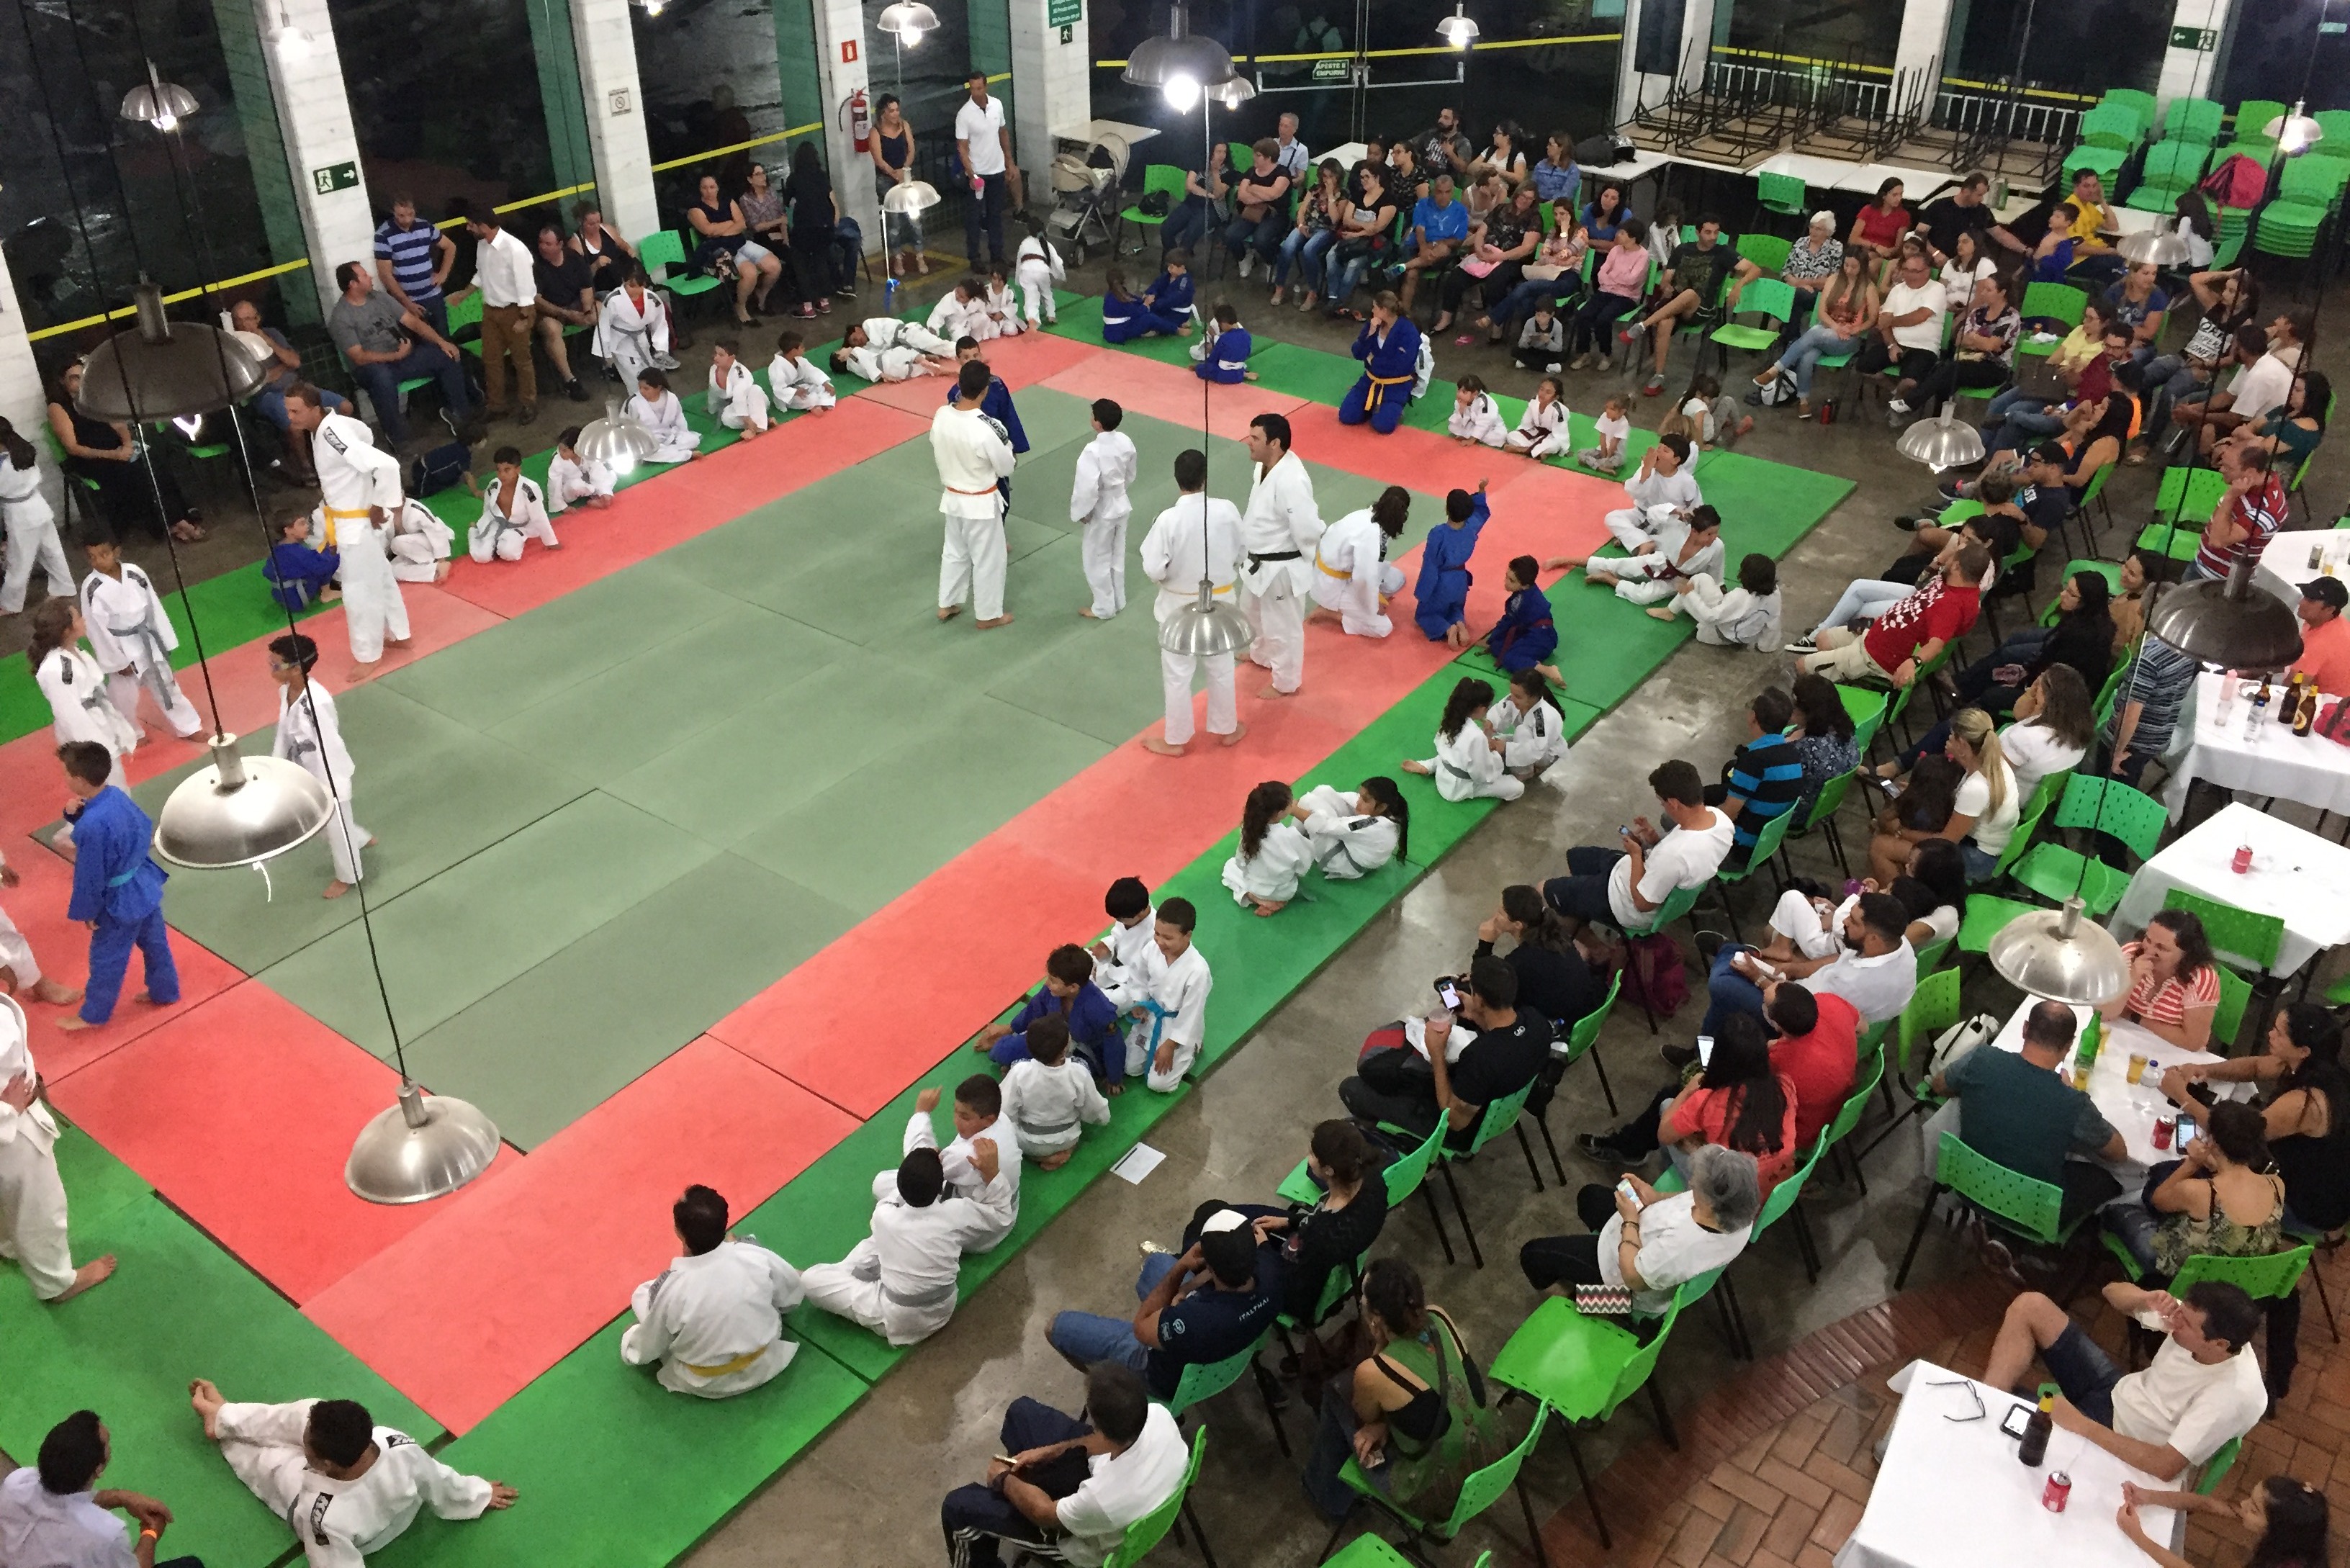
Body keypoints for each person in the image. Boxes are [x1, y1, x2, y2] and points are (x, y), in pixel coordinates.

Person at [188, 1380, 516, 1564]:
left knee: (269, 1464)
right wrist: (476, 1495)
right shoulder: (395, 1444)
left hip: (364, 1533)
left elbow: (335, 1564)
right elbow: (438, 1479)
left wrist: (479, 1496)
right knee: (302, 1417)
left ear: (324, 1463)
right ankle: (223, 1415)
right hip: (382, 1499)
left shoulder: (322, 1514)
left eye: (309, 1448)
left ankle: (222, 1423)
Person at [1975, 1279, 2267, 1484]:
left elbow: (2165, 1467)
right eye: (2179, 1312)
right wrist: (2143, 1298)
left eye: (2185, 1323)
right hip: (2116, 1392)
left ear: (2218, 1344)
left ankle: (1985, 1416)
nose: (2174, 1320)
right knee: (2031, 1305)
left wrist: (2082, 1426)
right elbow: (2110, 1291)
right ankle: (1986, 1398)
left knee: (2011, 1421)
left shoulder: (2232, 1395)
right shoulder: (2192, 1319)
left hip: (2123, 1444)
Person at [1301, 1257, 1500, 1523]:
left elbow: (1365, 1416)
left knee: (1336, 1395)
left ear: (1376, 1319)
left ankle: (1325, 1498)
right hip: (1492, 1458)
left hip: (1439, 1490)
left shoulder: (1373, 1372)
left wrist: (1378, 1424)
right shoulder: (1439, 1316)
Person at [939, 1363, 1186, 1568]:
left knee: (958, 1507)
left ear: (1099, 1425)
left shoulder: (1101, 1498)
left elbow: (1043, 1513)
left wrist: (1004, 1479)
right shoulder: (1157, 1416)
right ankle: (1019, 1493)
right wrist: (1047, 1452)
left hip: (1079, 1545)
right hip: (1113, 1497)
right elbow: (1099, 1442)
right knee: (1021, 1413)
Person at [1930, 1000, 2126, 1232]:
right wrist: (2072, 1091)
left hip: (1966, 1185)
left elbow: (1938, 1085)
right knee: (2108, 1181)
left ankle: (1996, 1235)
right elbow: (2118, 1153)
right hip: (2032, 1214)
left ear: (2025, 1029)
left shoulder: (1981, 1058)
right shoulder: (2074, 1103)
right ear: (2069, 1046)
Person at [1048, 1204, 1279, 1390]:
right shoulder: (1272, 1270)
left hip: (1166, 1375)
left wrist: (1181, 1267)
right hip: (1236, 1346)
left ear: (1209, 1264)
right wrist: (1185, 1290)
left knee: (1054, 1327)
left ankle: (1110, 1388)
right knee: (1156, 1262)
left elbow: (1142, 1327)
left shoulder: (1191, 1320)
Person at [1519, 1143, 1761, 1320]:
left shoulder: (1680, 1248)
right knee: (1590, 1196)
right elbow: (1688, 1199)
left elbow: (1632, 1277)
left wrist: (1630, 1220)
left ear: (1711, 1201)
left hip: (1626, 1288)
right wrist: (1656, 1198)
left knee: (1533, 1255)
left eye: (1696, 1184)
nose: (1690, 1184)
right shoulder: (1737, 1212)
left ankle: (1581, 1304)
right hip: (1641, 1236)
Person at [1339, 955, 1550, 1148]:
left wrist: (1437, 1053)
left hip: (1462, 1133)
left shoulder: (1480, 1058)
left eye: (1473, 991)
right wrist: (1476, 1015)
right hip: (1500, 1110)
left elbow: (1454, 1121)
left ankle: (1406, 1146)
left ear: (1481, 1000)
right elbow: (1506, 1038)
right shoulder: (1537, 1023)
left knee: (1352, 1088)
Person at [1582, 1008, 1801, 1191]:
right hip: (1775, 1182)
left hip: (1727, 1197)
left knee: (1668, 1104)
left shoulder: (1710, 1101)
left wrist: (1688, 1090)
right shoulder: (1784, 1085)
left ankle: (1676, 1189)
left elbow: (1664, 1134)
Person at [620, 1183, 804, 1397]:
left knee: (643, 1294)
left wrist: (630, 1338)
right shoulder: (753, 1255)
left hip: (708, 1382)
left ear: (678, 1231)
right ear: (725, 1224)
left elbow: (646, 1351)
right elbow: (791, 1297)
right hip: (767, 1361)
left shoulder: (672, 1289)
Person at [801, 1140, 991, 1346]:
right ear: (939, 1188)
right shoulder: (957, 1212)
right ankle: (846, 1273)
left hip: (898, 1318)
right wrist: (993, 1174)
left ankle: (843, 1274)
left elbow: (895, 1197)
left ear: (899, 1182)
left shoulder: (885, 1215)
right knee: (883, 1238)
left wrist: (917, 1168)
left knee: (811, 1280)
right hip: (944, 1308)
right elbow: (999, 1213)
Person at [289, 383, 412, 669]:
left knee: (357, 592)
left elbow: (387, 464)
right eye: (288, 411)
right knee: (380, 578)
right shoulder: (330, 428)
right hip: (350, 521)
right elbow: (364, 436)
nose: (290, 417)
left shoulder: (332, 434)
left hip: (354, 526)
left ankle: (368, 656)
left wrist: (381, 504)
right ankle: (399, 633)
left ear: (314, 409)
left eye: (296, 411)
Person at [2104, 1099, 2284, 1289]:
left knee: (2117, 1207)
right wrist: (2216, 1165)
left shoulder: (2200, 1192)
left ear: (2213, 1141)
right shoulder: (2277, 1185)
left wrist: (2193, 1163)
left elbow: (2157, 1199)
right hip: (2232, 1278)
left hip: (2180, 1276)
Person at [1542, 760, 1734, 934]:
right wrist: (1653, 840)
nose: (1662, 806)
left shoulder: (1674, 855)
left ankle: (1590, 947)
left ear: (1674, 803)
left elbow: (1642, 903)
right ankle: (1580, 905)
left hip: (1625, 903)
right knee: (1575, 857)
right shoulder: (1720, 821)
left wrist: (1635, 854)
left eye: (1662, 802)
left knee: (1543, 888)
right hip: (1640, 870)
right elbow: (1677, 861)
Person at [1, 1003, 114, 1297]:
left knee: (8, 1199)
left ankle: (6, 1242)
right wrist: (8, 1113)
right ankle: (57, 1283)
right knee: (39, 1207)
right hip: (11, 1135)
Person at [1140, 452, 1245, 756]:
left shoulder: (1168, 520)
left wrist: (1168, 580)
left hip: (1178, 605)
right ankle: (1227, 729)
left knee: (1177, 673)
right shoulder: (1227, 510)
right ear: (1205, 477)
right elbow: (1242, 550)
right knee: (1221, 666)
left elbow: (1153, 568)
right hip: (1221, 599)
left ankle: (1176, 740)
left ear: (1177, 479)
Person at [1706, 891, 1917, 1035]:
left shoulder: (1854, 982)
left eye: (1853, 922)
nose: (1844, 922)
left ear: (1873, 939)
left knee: (1722, 982)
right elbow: (1838, 962)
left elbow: (1796, 1010)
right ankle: (1705, 1053)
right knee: (1725, 998)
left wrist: (1758, 977)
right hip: (1807, 995)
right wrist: (1798, 969)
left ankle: (1732, 951)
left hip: (1797, 1023)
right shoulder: (1898, 944)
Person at [0, 1409, 186, 1566]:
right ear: (98, 1469)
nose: (110, 1440)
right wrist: (151, 1531)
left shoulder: (18, 1481)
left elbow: (63, 1504)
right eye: (107, 1444)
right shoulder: (107, 1535)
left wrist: (120, 1497)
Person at [45, 364, 204, 545]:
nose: (82, 381)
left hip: (118, 449)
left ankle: (179, 518)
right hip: (92, 458)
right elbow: (73, 447)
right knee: (137, 474)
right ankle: (174, 523)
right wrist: (114, 455)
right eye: (75, 377)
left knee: (156, 464)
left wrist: (127, 445)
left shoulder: (95, 398)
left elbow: (119, 425)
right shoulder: (58, 408)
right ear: (62, 382)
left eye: (83, 375)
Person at [323, 263, 474, 449]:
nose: (370, 277)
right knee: (382, 379)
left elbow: (413, 322)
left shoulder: (379, 298)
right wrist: (395, 356)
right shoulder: (341, 317)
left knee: (446, 355)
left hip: (402, 355)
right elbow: (359, 357)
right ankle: (398, 438)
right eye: (364, 275)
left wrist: (441, 342)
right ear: (352, 284)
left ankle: (460, 415)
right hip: (372, 366)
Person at [1796, 541, 1986, 687]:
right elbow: (1919, 590)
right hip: (1875, 632)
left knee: (1802, 666)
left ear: (1956, 567)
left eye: (1953, 557)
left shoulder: (1951, 606)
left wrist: (1913, 662)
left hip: (1876, 656)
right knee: (1822, 639)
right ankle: (1834, 678)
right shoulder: (1953, 583)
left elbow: (1936, 644)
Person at [266, 634, 370, 899]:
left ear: (296, 668)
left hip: (328, 773)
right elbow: (284, 733)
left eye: (276, 665)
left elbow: (330, 745)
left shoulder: (317, 702)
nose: (271, 669)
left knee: (336, 827)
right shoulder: (286, 692)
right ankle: (359, 838)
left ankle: (349, 876)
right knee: (314, 820)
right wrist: (278, 765)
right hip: (304, 767)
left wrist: (332, 786)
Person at [1230, 413, 1323, 698]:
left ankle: (1286, 682)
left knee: (1284, 629)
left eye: (1255, 438)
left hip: (1281, 568)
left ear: (1275, 443)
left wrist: (1303, 557)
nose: (1249, 443)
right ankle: (1262, 656)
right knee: (1251, 614)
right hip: (1258, 562)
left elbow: (1307, 528)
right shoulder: (1263, 468)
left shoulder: (1292, 481)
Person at [77, 535, 200, 741]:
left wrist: (164, 640)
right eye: (92, 557)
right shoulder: (91, 587)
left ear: (117, 552)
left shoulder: (135, 573)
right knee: (124, 697)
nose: (97, 561)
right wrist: (116, 660)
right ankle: (129, 733)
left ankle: (189, 727)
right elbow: (95, 628)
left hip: (148, 639)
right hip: (119, 645)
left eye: (103, 554)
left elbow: (153, 606)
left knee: (167, 684)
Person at [27, 597, 138, 816]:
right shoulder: (57, 668)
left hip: (99, 723)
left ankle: (115, 826)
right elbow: (69, 715)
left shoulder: (75, 652)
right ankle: (122, 830)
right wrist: (96, 749)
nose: (83, 620)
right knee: (110, 788)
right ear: (66, 630)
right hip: (87, 737)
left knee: (112, 787)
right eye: (78, 618)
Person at [1749, 249, 1878, 419]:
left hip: (1849, 338)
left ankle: (1775, 370)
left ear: (1862, 267)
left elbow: (1874, 318)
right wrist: (1835, 327)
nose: (1848, 270)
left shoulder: (1868, 288)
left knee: (1815, 334)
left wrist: (1855, 329)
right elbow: (1822, 313)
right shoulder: (1833, 280)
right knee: (1808, 354)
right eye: (1846, 265)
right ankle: (1804, 402)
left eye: (1854, 267)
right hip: (1828, 330)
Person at [230, 299, 346, 485]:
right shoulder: (234, 344)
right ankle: (305, 465)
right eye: (239, 321)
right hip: (267, 395)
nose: (245, 325)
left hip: (298, 388)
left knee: (345, 406)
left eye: (249, 319)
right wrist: (282, 367)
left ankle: (339, 454)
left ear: (258, 319)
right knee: (295, 425)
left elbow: (295, 362)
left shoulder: (272, 334)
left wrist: (268, 342)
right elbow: (258, 380)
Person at [1621, 214, 1737, 397]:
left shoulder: (1724, 252)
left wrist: (1738, 285)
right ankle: (1658, 376)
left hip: (1702, 308)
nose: (1713, 237)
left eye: (1716, 232)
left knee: (1690, 294)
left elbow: (1754, 269)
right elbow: (1667, 277)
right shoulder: (1683, 250)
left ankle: (1643, 325)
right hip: (1675, 303)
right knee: (1666, 322)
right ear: (1698, 233)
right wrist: (1666, 286)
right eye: (1708, 232)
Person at [978, 945, 1124, 1086]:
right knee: (1001, 1053)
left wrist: (1114, 1078)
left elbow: (1113, 1041)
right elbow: (1035, 1008)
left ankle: (1020, 1069)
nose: (1047, 983)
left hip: (1081, 1052)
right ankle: (1013, 1054)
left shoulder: (1099, 1008)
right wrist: (1010, 1028)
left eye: (1053, 981)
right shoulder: (1053, 991)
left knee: (1063, 1086)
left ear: (1073, 987)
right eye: (1049, 977)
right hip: (1050, 1039)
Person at [2117, 1474, 2328, 1568]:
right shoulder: (2296, 1540)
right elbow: (2206, 1505)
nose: (2243, 1505)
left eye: (2253, 1509)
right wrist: (2148, 1496)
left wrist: (2138, 1536)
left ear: (2278, 1531)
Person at [1891, 271, 2018, 424]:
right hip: (1966, 359)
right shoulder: (1978, 312)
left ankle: (1911, 404)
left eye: (1988, 290)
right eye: (1983, 289)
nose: (1983, 293)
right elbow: (1959, 340)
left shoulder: (2010, 317)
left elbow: (1992, 346)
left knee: (1951, 370)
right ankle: (1938, 420)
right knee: (1947, 373)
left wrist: (1974, 338)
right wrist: (1979, 341)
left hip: (1994, 367)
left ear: (2003, 293)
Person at [1117, 898, 1211, 1093]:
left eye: (1168, 938)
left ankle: (1191, 1049)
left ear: (1187, 935)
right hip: (1152, 1016)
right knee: (1129, 1067)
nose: (1160, 941)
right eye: (1157, 934)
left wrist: (1170, 1044)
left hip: (1177, 1025)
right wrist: (1139, 1003)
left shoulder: (1198, 971)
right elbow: (1139, 978)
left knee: (1159, 1084)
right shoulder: (1152, 949)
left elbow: (1191, 1013)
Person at [1475, 884, 1601, 1027]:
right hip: (1591, 1011)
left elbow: (1486, 989)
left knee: (1484, 1006)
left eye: (1500, 913)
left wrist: (1485, 945)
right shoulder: (1558, 934)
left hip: (1563, 1027)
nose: (1495, 916)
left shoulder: (1518, 963)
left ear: (1518, 925)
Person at [997, 1015, 1112, 1169]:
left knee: (1007, 1130)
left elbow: (1004, 1110)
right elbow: (1097, 1110)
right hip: (1068, 1137)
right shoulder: (1079, 1072)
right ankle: (1066, 1151)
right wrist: (1102, 1118)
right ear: (1065, 1048)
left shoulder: (1019, 1072)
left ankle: (1036, 1157)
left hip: (1028, 1142)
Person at [1708, 685, 1804, 861]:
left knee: (1670, 818)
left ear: (1753, 717)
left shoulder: (1753, 761)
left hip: (1741, 847)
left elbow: (1729, 813)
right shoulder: (1792, 752)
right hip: (1766, 840)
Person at [2104, 909, 2221, 1053]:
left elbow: (2193, 1042)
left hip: (2172, 1053)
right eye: (2148, 939)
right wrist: (2131, 979)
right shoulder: (2130, 954)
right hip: (2123, 1042)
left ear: (2186, 954)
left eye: (2161, 948)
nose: (2149, 950)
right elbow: (2103, 1013)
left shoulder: (2201, 978)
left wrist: (2137, 1018)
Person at [1578, 505, 1724, 621]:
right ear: (1694, 531)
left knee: (1643, 597)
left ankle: (1610, 580)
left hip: (1677, 580)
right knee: (1616, 564)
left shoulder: (1717, 547)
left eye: (1716, 532)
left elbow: (1715, 574)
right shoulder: (1679, 528)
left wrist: (1718, 591)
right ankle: (1565, 560)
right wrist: (1675, 510)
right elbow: (1653, 513)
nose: (1714, 537)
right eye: (1709, 534)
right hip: (1659, 561)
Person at [464, 207, 539, 424]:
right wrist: (465, 293)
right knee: (491, 360)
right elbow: (481, 274)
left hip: (515, 310)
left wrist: (525, 318)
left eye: (471, 224)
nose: (468, 228)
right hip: (491, 310)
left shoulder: (514, 249)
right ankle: (497, 405)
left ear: (484, 225)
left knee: (521, 360)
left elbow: (526, 284)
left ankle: (528, 403)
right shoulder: (482, 246)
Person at [1575, 433, 1701, 559]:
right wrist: (1646, 472)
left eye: (1665, 451)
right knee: (1612, 518)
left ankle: (1638, 541)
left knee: (1676, 541)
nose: (1658, 453)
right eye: (1659, 448)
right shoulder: (1647, 467)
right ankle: (1645, 543)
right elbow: (1633, 493)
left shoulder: (1686, 481)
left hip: (1667, 523)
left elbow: (1697, 507)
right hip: (1641, 514)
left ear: (1676, 460)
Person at [1068, 398, 1138, 622]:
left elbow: (1087, 488)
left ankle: (1103, 607)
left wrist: (1083, 512)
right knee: (1117, 554)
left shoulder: (1092, 451)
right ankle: (1118, 600)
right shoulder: (1126, 441)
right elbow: (1130, 473)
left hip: (1102, 508)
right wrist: (1119, 491)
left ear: (1097, 423)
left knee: (1097, 558)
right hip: (1121, 503)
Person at [1308, 486, 1408, 639]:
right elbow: (1362, 579)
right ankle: (1330, 613)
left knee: (1397, 580)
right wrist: (1373, 605)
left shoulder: (1364, 515)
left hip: (1337, 571)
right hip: (1335, 585)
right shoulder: (1371, 535)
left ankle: (1354, 606)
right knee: (1383, 627)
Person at [1401, 676, 1521, 803]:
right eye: (1487, 707)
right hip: (1458, 787)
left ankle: (1431, 765)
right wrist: (1495, 755)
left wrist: (1485, 743)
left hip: (1445, 768)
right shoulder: (1476, 736)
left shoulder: (1452, 716)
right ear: (1481, 708)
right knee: (1517, 788)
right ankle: (1433, 765)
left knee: (1456, 751)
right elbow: (1482, 776)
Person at [2102, 631, 2199, 787]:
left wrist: (2117, 751)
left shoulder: (2148, 658)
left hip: (2132, 742)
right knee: (2129, 783)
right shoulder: (2187, 649)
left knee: (2108, 791)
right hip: (2157, 736)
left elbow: (2130, 714)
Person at [1855, 249, 1947, 407]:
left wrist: (1891, 321)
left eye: (1915, 271)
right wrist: (1891, 345)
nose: (1909, 275)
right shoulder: (1897, 290)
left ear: (1927, 272)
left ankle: (1900, 397)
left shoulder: (1937, 289)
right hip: (1896, 342)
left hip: (1924, 348)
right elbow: (1884, 322)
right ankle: (1894, 392)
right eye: (1906, 270)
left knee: (1910, 382)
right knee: (1863, 366)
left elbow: (1919, 316)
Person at [687, 173, 778, 328]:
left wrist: (720, 228)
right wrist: (730, 223)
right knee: (749, 273)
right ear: (699, 189)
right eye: (704, 188)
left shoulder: (727, 201)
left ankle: (761, 296)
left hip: (740, 242)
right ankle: (741, 307)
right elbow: (708, 230)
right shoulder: (695, 210)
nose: (709, 191)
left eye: (712, 187)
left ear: (718, 188)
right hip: (719, 249)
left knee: (774, 266)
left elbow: (742, 224)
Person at [2186, 444, 2287, 585]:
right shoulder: (2250, 484)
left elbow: (2217, 541)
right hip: (2201, 564)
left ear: (2250, 472)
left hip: (2219, 581)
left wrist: (2230, 497)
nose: (2221, 470)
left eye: (2228, 467)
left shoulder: (2266, 510)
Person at [955, 71, 1021, 271]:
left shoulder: (997, 105)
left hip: (997, 169)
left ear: (986, 87)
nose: (975, 92)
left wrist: (1009, 162)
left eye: (979, 88)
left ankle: (997, 254)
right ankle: (974, 257)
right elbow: (962, 147)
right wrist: (971, 173)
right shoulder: (964, 114)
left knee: (995, 215)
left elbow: (1003, 133)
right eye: (972, 88)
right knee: (974, 218)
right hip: (978, 174)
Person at [0, 421, 65, 618]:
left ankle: (11, 604)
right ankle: (64, 587)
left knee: (18, 561)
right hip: (38, 505)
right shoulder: (23, 450)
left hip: (20, 513)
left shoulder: (4, 464)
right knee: (53, 550)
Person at [1413, 482, 1490, 646]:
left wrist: (1423, 592)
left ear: (1447, 509)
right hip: (1460, 580)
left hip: (1441, 582)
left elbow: (1430, 565)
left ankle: (1447, 629)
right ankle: (1459, 623)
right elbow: (1482, 513)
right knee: (1455, 608)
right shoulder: (1471, 527)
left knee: (1425, 615)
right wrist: (1481, 492)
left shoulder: (1438, 534)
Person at [1221, 780, 1313, 916]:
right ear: (1280, 813)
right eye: (1290, 803)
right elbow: (1303, 869)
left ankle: (1255, 898)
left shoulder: (1248, 830)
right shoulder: (1291, 836)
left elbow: (1241, 863)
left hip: (1256, 887)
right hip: (1285, 891)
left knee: (1230, 866)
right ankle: (1266, 900)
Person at [1338, 292, 1423, 436]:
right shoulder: (1373, 325)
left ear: (1384, 310)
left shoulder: (1408, 331)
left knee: (1383, 426)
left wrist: (1373, 360)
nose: (1372, 311)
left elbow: (1402, 365)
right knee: (1347, 416)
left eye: (1374, 307)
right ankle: (1372, 406)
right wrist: (1369, 334)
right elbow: (1357, 353)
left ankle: (1391, 409)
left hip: (1395, 386)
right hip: (1370, 381)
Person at [529, 223, 597, 403]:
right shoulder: (535, 265)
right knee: (552, 330)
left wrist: (588, 310)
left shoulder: (573, 257)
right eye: (541, 243)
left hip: (575, 305)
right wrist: (566, 314)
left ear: (560, 244)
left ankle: (611, 363)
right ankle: (570, 380)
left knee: (603, 310)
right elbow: (536, 300)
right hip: (551, 311)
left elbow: (586, 286)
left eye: (548, 244)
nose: (542, 247)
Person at [374, 192, 456, 337]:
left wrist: (444, 273)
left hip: (433, 296)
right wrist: (406, 303)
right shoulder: (383, 235)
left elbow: (450, 247)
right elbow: (385, 275)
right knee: (420, 345)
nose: (407, 219)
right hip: (407, 301)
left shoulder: (425, 226)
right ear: (393, 212)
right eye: (401, 216)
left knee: (444, 339)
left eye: (410, 214)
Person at [1292, 778, 1407, 881]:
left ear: (1382, 807)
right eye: (1361, 796)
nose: (1359, 802)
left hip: (1344, 862)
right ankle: (1297, 834)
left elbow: (1325, 825)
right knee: (1323, 791)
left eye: (1365, 800)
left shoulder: (1371, 825)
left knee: (1308, 801)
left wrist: (1293, 808)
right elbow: (1338, 797)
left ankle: (1291, 842)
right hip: (1353, 846)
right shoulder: (1390, 810)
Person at [465, 446, 558, 564]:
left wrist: (551, 542)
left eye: (507, 470)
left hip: (517, 527)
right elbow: (487, 508)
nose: (502, 475)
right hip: (496, 523)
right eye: (499, 470)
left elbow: (539, 516)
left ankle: (500, 543)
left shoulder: (529, 489)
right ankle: (473, 531)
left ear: (518, 469)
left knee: (509, 554)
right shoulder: (493, 485)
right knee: (482, 557)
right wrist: (483, 526)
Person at [1274, 158, 1345, 309]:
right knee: (1287, 247)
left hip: (1327, 230)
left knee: (1309, 250)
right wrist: (1300, 225)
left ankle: (1313, 291)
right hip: (1306, 225)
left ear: (1338, 176)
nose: (1327, 180)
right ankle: (1279, 286)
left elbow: (1335, 219)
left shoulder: (1343, 195)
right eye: (1325, 176)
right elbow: (1302, 209)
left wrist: (1331, 196)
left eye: (1331, 176)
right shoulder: (1314, 189)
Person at [1678, 552, 1783, 652]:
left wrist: (1689, 594)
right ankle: (1674, 608)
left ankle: (1672, 609)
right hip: (1744, 635)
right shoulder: (1775, 593)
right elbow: (1773, 622)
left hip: (1720, 635)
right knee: (1702, 581)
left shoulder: (1740, 596)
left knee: (1699, 581)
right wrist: (1766, 647)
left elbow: (1710, 617)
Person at [783, 141, 840, 317]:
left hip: (804, 229)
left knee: (802, 266)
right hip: (824, 227)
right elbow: (833, 201)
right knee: (821, 262)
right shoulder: (822, 176)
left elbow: (787, 202)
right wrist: (833, 222)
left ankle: (807, 306)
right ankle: (824, 302)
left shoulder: (794, 178)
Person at [1223, 139, 1295, 277]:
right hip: (1251, 213)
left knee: (1260, 240)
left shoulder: (1282, 173)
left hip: (1276, 216)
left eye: (1258, 155)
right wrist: (1265, 196)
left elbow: (1275, 193)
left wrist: (1254, 188)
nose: (1254, 158)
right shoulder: (1251, 172)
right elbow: (1243, 196)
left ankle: (1271, 262)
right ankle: (1244, 258)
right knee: (1230, 235)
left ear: (1268, 158)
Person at [870, 94, 923, 276]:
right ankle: (897, 258)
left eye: (897, 110)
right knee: (894, 222)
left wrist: (904, 169)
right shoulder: (876, 132)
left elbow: (911, 149)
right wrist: (894, 173)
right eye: (891, 111)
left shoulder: (904, 125)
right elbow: (878, 159)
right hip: (886, 180)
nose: (895, 114)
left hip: (905, 176)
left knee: (914, 218)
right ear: (883, 113)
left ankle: (920, 255)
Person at [595, 270, 675, 392]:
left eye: (639, 286)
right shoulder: (613, 299)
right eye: (631, 286)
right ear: (624, 282)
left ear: (644, 284)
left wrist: (660, 347)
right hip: (621, 344)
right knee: (635, 380)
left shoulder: (652, 299)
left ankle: (653, 402)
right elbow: (603, 325)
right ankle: (638, 403)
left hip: (642, 340)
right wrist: (605, 352)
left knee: (649, 374)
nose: (635, 290)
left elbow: (660, 324)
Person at [1477, 556, 1557, 675]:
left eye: (1511, 580)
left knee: (1509, 658)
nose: (1506, 582)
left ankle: (1545, 670)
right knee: (1497, 647)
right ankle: (1531, 661)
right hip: (1538, 634)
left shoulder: (1520, 601)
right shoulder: (1528, 591)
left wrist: (1490, 639)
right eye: (1507, 577)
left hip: (1540, 639)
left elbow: (1508, 622)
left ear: (1524, 585)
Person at [1490, 667, 1567, 782]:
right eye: (1512, 694)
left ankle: (1524, 772)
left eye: (1518, 697)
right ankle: (1517, 761)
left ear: (1533, 697)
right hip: (1526, 742)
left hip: (1546, 753)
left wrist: (1506, 748)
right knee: (1494, 740)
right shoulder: (1516, 699)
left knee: (1522, 731)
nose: (1513, 698)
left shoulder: (1542, 718)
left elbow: (1538, 749)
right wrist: (1491, 722)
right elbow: (1500, 711)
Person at [832, 317, 957, 382]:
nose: (858, 343)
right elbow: (873, 358)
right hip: (897, 355)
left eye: (855, 339)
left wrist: (882, 376)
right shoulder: (860, 351)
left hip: (906, 334)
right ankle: (929, 360)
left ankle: (960, 353)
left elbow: (882, 346)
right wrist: (883, 375)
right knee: (923, 356)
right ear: (841, 358)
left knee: (938, 346)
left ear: (857, 329)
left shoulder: (868, 325)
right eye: (855, 344)